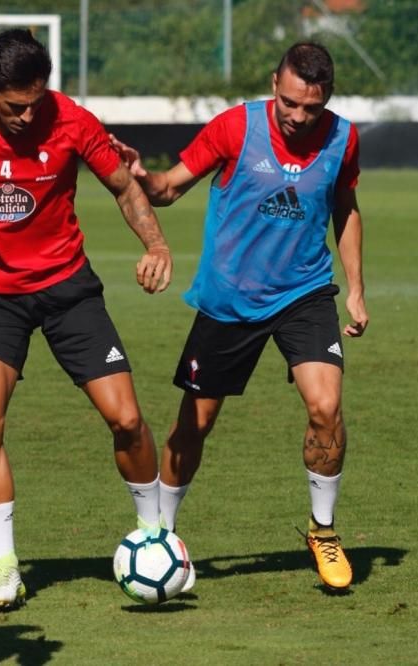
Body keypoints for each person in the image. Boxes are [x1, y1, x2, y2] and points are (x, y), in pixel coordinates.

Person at [0, 28, 173, 611]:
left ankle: (155, 534)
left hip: (67, 287)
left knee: (128, 419)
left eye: (36, 101)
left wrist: (156, 245)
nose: (27, 115)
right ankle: (5, 566)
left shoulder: (70, 119)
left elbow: (124, 186)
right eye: (15, 106)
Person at [113, 42, 366, 591]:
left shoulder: (343, 138)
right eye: (290, 104)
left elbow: (345, 207)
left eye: (312, 109)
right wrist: (140, 175)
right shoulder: (234, 128)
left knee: (326, 407)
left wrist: (356, 290)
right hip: (231, 299)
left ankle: (322, 531)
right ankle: (163, 533)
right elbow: (169, 189)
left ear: (328, 99)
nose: (299, 118)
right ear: (274, 83)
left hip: (304, 292)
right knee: (196, 423)